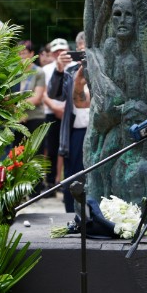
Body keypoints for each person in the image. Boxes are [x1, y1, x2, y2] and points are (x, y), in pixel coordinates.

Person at [47, 32, 90, 212]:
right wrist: (59, 69)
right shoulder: (71, 71)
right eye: (80, 52)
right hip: (76, 131)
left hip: (98, 130)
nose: (84, 56)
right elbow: (54, 94)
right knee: (73, 175)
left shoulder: (105, 69)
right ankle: (72, 214)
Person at [41, 37, 69, 191]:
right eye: (56, 51)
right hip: (51, 112)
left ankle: (64, 180)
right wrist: (55, 108)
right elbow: (45, 93)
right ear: (52, 53)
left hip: (69, 113)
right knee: (51, 148)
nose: (59, 53)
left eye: (61, 50)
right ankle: (51, 181)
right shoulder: (46, 69)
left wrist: (65, 109)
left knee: (66, 149)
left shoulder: (75, 66)